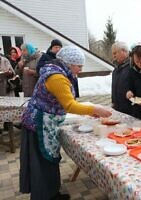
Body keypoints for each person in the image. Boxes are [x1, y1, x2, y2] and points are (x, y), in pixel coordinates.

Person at [19, 46, 112, 200]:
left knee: (49, 161)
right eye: (79, 66)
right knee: (42, 164)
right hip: (39, 125)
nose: (80, 70)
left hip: (46, 123)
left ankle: (52, 193)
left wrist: (92, 111)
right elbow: (69, 105)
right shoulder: (57, 77)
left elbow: (65, 101)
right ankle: (44, 196)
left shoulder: (59, 72)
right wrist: (95, 108)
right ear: (69, 63)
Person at [111, 41, 131, 115]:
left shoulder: (133, 67)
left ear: (123, 51)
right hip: (117, 108)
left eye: (115, 53)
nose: (113, 56)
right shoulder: (116, 69)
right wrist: (113, 102)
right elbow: (114, 87)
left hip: (129, 110)